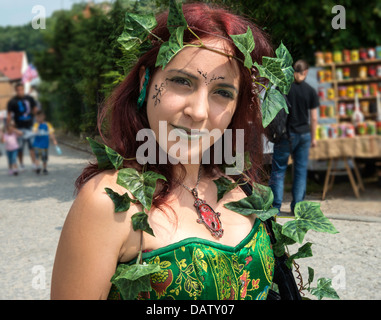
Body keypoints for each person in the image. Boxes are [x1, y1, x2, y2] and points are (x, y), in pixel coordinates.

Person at [51, 3, 278, 300]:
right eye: (182, 81)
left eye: (222, 92)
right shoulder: (110, 202)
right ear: (146, 82)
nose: (198, 112)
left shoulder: (241, 187)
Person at [269, 59, 319, 214]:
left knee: (278, 171)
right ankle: (297, 208)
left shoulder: (283, 88)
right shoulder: (310, 91)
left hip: (285, 135)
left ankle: (276, 208)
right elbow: (314, 118)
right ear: (306, 72)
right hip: (304, 135)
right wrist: (314, 138)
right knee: (300, 171)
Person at [7, 83, 38, 170]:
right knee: (20, 148)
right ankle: (21, 164)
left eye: (21, 89)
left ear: (24, 89)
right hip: (19, 128)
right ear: (16, 90)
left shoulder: (30, 98)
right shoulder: (12, 101)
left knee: (32, 146)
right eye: (18, 90)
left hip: (30, 126)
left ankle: (34, 164)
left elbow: (35, 109)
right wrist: (9, 127)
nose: (20, 91)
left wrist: (36, 118)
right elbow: (9, 115)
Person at [32, 110, 57, 174]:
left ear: (44, 117)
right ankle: (38, 167)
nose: (39, 118)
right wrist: (37, 131)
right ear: (36, 118)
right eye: (38, 117)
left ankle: (45, 168)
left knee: (44, 157)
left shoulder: (48, 125)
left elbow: (51, 133)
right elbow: (34, 131)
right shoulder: (36, 125)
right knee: (37, 156)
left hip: (45, 144)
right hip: (37, 144)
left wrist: (54, 140)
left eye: (40, 117)